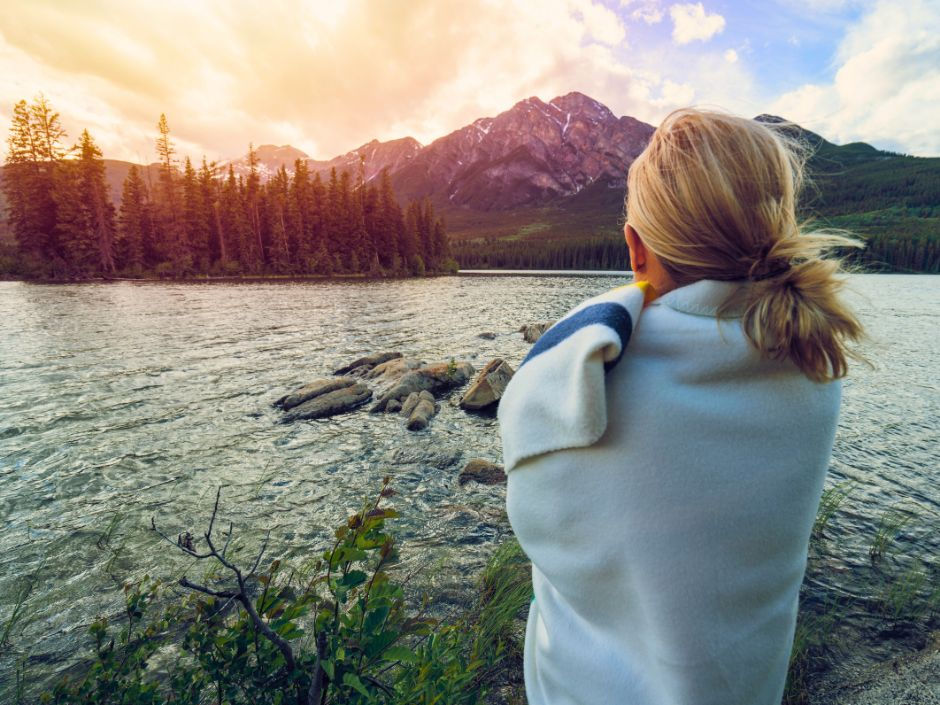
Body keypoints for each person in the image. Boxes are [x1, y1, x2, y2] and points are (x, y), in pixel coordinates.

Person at [499, 107, 872, 705]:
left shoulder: (578, 370)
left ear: (635, 249)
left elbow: (533, 513)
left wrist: (627, 297)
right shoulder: (810, 364)